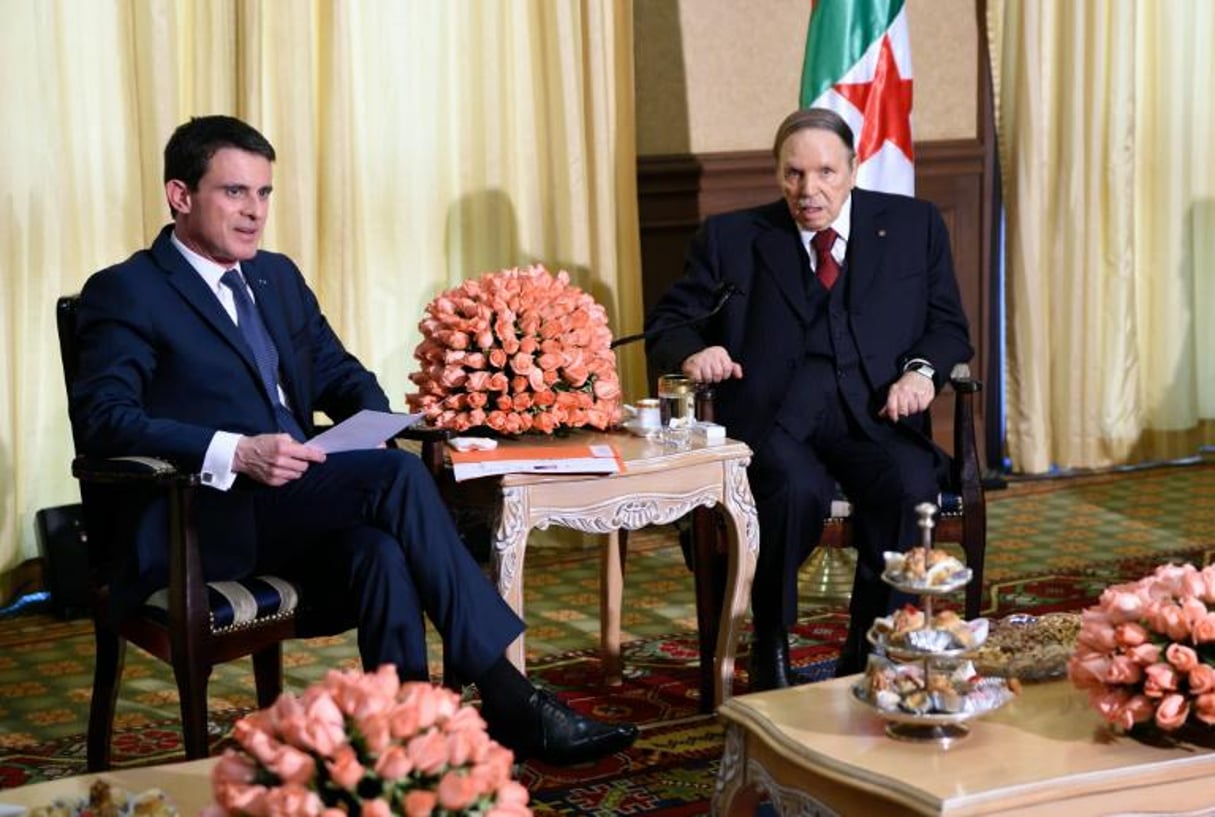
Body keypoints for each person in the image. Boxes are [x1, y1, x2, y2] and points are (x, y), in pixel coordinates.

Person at [70, 114, 638, 765]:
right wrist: (235, 448)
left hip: (294, 500)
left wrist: (374, 423)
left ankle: (409, 740)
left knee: (380, 551)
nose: (254, 212)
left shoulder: (274, 277)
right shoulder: (128, 290)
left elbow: (341, 376)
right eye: (234, 192)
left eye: (263, 194)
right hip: (201, 517)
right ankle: (508, 694)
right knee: (395, 479)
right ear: (180, 195)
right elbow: (105, 419)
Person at [644, 108, 973, 686]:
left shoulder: (914, 225)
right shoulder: (733, 238)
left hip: (874, 416)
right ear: (778, 174)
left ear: (852, 169)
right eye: (794, 174)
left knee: (907, 484)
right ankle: (769, 634)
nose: (809, 190)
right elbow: (671, 323)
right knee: (793, 489)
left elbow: (947, 328)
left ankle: (869, 641)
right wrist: (695, 354)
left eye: (825, 172)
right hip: (777, 421)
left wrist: (921, 374)